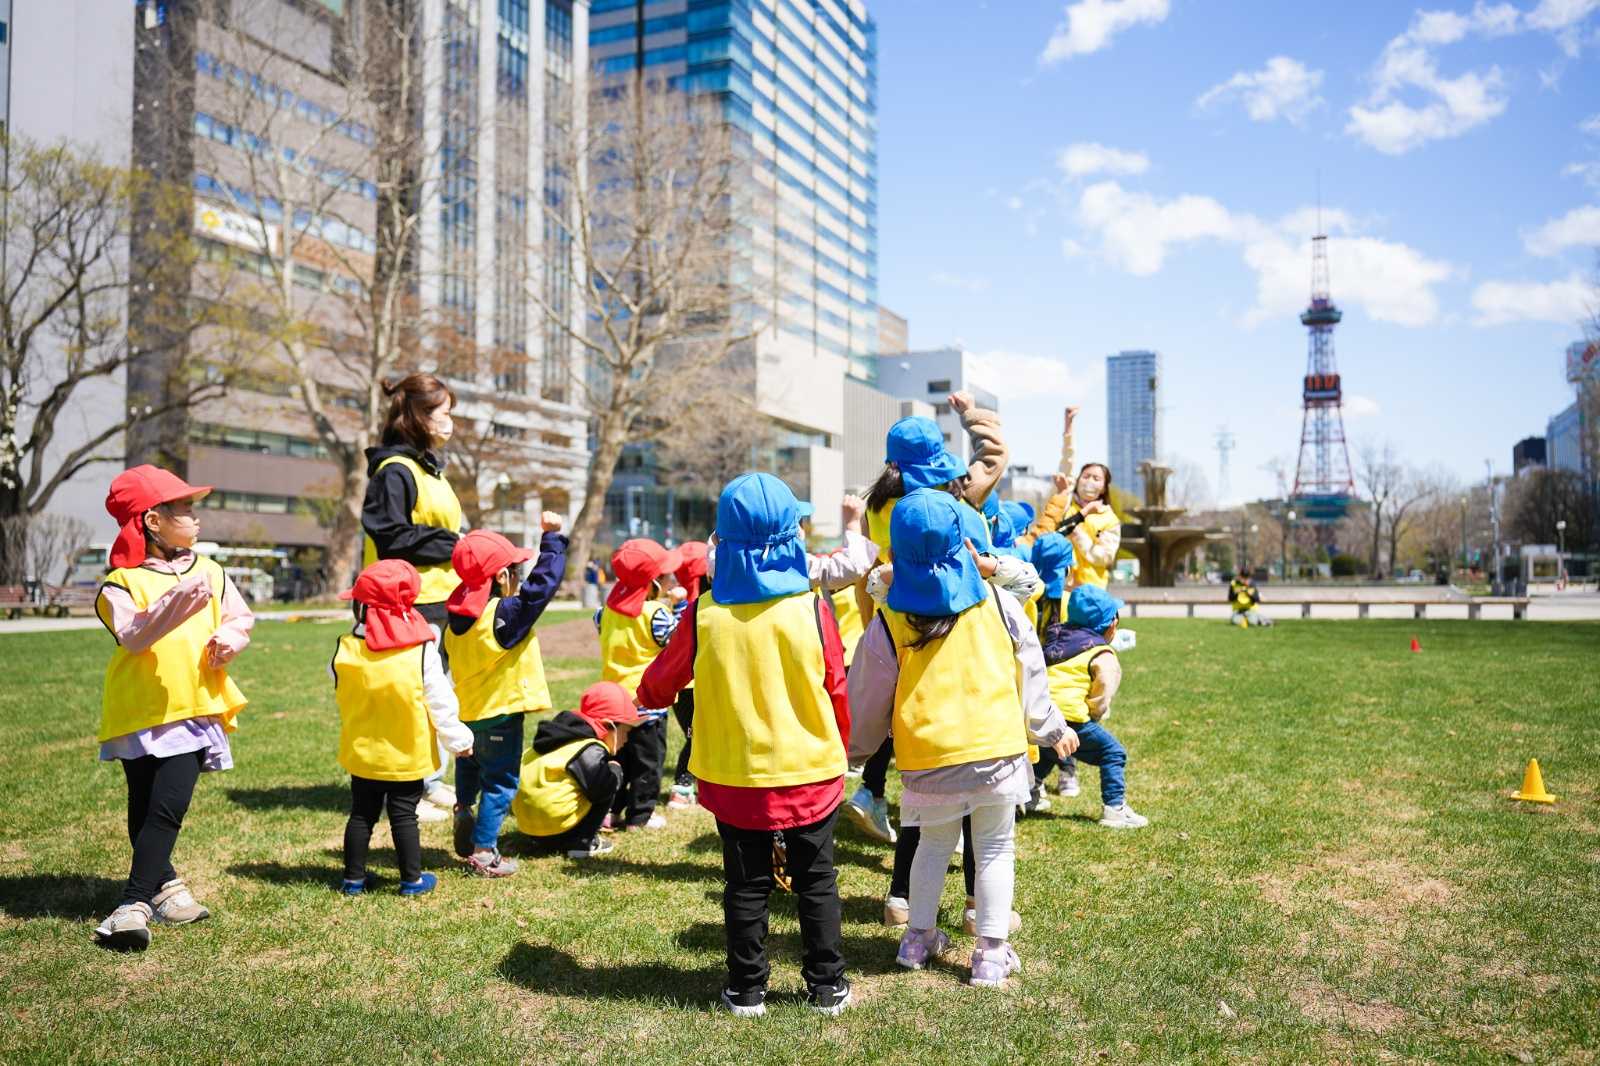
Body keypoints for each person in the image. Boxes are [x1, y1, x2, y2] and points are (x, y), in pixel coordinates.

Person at [637, 473, 853, 1018]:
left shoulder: (704, 614)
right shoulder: (811, 608)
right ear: (793, 539)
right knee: (817, 879)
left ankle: (747, 989)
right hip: (810, 766)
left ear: (722, 543)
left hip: (734, 774)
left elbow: (659, 684)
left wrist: (647, 692)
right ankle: (827, 985)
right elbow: (837, 684)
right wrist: (842, 744)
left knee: (746, 883)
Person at [848, 491, 1073, 989]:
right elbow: (1030, 667)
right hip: (997, 750)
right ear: (964, 543)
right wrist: (1051, 727)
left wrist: (855, 750)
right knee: (994, 848)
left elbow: (867, 692)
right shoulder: (998, 601)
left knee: (931, 845)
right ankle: (990, 954)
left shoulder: (888, 618)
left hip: (926, 755)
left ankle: (916, 940)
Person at [91, 466, 253, 951]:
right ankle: (167, 888)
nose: (195, 517)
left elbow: (239, 617)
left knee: (167, 808)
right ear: (152, 522)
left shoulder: (211, 571)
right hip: (138, 709)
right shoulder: (117, 584)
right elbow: (134, 635)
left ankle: (132, 904)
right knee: (143, 807)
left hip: (193, 706)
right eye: (184, 509)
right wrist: (177, 601)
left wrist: (227, 640)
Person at [849, 400, 1010, 847]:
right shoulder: (956, 493)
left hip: (893, 618)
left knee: (897, 710)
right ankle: (955, 817)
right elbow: (994, 456)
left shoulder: (875, 508)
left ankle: (876, 790)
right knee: (956, 716)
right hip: (960, 617)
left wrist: (872, 624)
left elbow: (866, 575)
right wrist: (973, 415)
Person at [332, 559, 474, 896]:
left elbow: (336, 680)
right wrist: (459, 739)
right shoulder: (420, 651)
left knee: (361, 815)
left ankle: (353, 879)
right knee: (404, 816)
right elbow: (441, 701)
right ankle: (411, 880)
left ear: (361, 606)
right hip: (406, 753)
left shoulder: (345, 646)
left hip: (363, 751)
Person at [361, 372, 465, 822]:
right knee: (411, 696)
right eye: (443, 413)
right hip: (404, 603)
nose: (449, 422)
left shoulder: (426, 469)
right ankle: (405, 791)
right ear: (418, 417)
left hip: (437, 597)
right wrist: (456, 544)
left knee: (437, 691)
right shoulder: (394, 472)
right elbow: (391, 535)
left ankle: (427, 779)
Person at [443, 520, 567, 877]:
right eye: (515, 571)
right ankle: (483, 853)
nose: (519, 577)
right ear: (500, 577)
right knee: (499, 783)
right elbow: (543, 587)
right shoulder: (504, 615)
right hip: (501, 716)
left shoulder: (456, 620)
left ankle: (463, 810)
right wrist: (552, 540)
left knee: (471, 769)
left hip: (468, 714)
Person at [1033, 586, 1149, 829]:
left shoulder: (1056, 637)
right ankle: (1115, 809)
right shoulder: (1101, 653)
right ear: (1111, 625)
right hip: (1071, 718)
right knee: (1113, 752)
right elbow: (1102, 692)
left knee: (1052, 750)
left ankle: (1028, 794)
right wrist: (1094, 713)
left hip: (1040, 712)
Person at [594, 538, 685, 830]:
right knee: (648, 762)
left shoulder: (603, 612)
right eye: (666, 577)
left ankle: (611, 811)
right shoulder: (657, 615)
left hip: (613, 702)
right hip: (646, 702)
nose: (671, 580)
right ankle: (641, 815)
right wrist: (680, 605)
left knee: (617, 758)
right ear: (653, 584)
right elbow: (678, 640)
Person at [511, 682, 646, 858]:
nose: (627, 738)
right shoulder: (589, 748)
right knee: (609, 778)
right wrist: (614, 771)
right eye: (626, 730)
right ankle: (583, 842)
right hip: (558, 831)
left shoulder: (557, 736)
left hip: (527, 828)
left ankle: (547, 838)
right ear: (609, 726)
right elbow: (601, 790)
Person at [1020, 406, 1122, 591]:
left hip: (1090, 590)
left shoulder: (1109, 519)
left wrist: (1077, 534)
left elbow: (1104, 556)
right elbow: (1067, 462)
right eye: (1086, 476)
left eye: (1096, 478)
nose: (1089, 481)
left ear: (1104, 488)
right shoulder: (1066, 501)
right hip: (1057, 584)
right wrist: (1068, 427)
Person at [667, 541, 709, 810]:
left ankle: (692, 784)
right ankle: (682, 787)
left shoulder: (676, 607)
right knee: (698, 735)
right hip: (695, 684)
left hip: (678, 686)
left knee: (697, 735)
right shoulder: (702, 606)